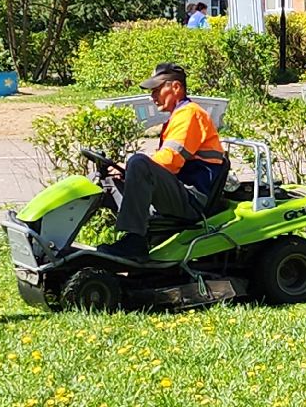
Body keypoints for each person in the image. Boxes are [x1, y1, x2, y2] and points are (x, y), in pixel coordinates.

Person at [98, 63, 228, 260]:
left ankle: (135, 242)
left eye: (157, 89)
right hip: (178, 190)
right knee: (104, 180)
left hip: (192, 197)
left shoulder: (191, 114)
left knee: (138, 163)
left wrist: (129, 167)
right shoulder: (177, 117)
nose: (153, 96)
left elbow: (170, 161)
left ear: (175, 87)